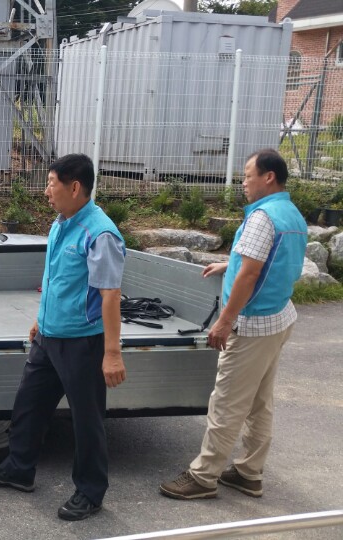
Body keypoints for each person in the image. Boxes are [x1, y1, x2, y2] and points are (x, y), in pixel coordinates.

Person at [0, 153, 127, 521]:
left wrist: (112, 353)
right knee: (29, 403)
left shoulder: (100, 233)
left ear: (74, 187)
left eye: (50, 184)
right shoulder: (61, 223)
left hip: (82, 342)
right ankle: (19, 468)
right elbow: (58, 278)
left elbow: (110, 294)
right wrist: (40, 319)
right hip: (48, 335)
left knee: (87, 420)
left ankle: (90, 492)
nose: (46, 191)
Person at [159, 149, 306, 500]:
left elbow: (251, 273)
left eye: (247, 175)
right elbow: (266, 258)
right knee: (259, 402)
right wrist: (229, 264)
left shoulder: (263, 217)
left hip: (252, 324)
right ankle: (248, 472)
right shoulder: (290, 213)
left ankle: (203, 476)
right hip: (278, 318)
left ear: (268, 177)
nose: (243, 183)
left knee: (226, 403)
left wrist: (225, 321)